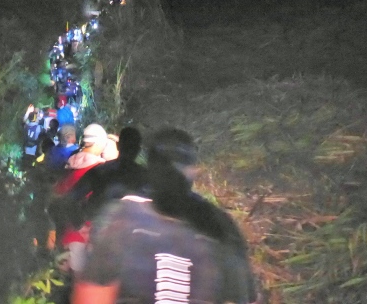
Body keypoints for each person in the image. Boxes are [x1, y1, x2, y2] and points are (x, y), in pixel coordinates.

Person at [73, 128, 258, 304]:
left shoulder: (125, 217)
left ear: (151, 169)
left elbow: (92, 294)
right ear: (193, 169)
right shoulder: (219, 224)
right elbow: (244, 297)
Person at [69, 127, 147, 222]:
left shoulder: (100, 170)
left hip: (97, 226)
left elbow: (72, 197)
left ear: (118, 145)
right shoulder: (145, 177)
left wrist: (82, 220)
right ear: (138, 149)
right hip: (131, 229)